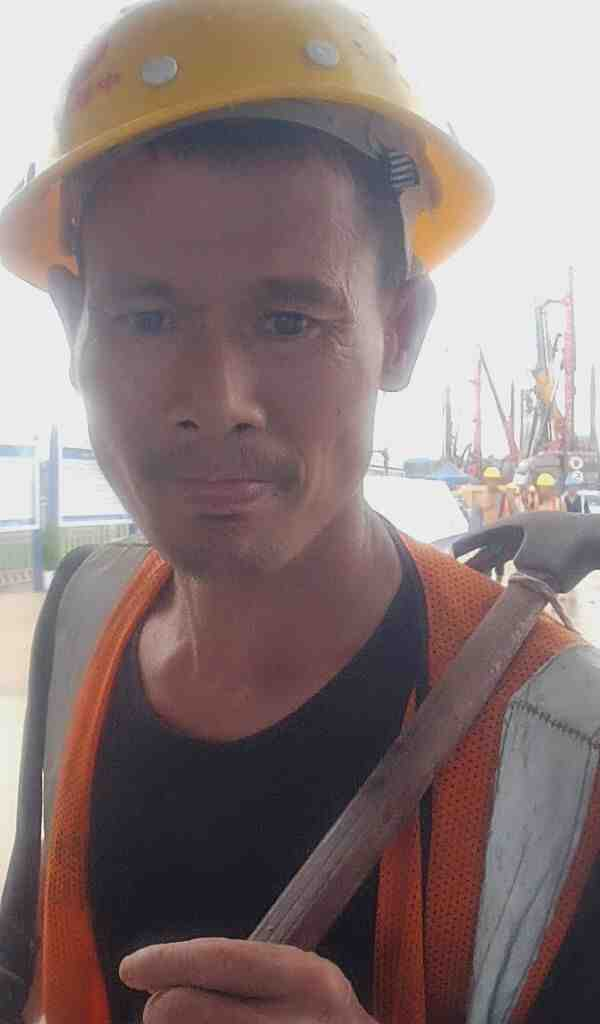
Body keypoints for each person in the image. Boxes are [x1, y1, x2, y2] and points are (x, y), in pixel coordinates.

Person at [1, 3, 600, 1023]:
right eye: (148, 318)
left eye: (288, 320)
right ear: (73, 325)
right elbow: (26, 956)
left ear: (399, 330)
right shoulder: (83, 609)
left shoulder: (563, 745)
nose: (217, 399)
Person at [471, 466, 515, 581]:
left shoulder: (504, 495)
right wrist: (475, 536)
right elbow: (475, 519)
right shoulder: (480, 496)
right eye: (490, 479)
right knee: (486, 564)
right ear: (485, 480)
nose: (492, 482)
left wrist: (511, 499)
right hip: (486, 535)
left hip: (501, 534)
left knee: (500, 563)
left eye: (494, 480)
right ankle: (488, 583)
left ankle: (498, 583)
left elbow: (515, 513)